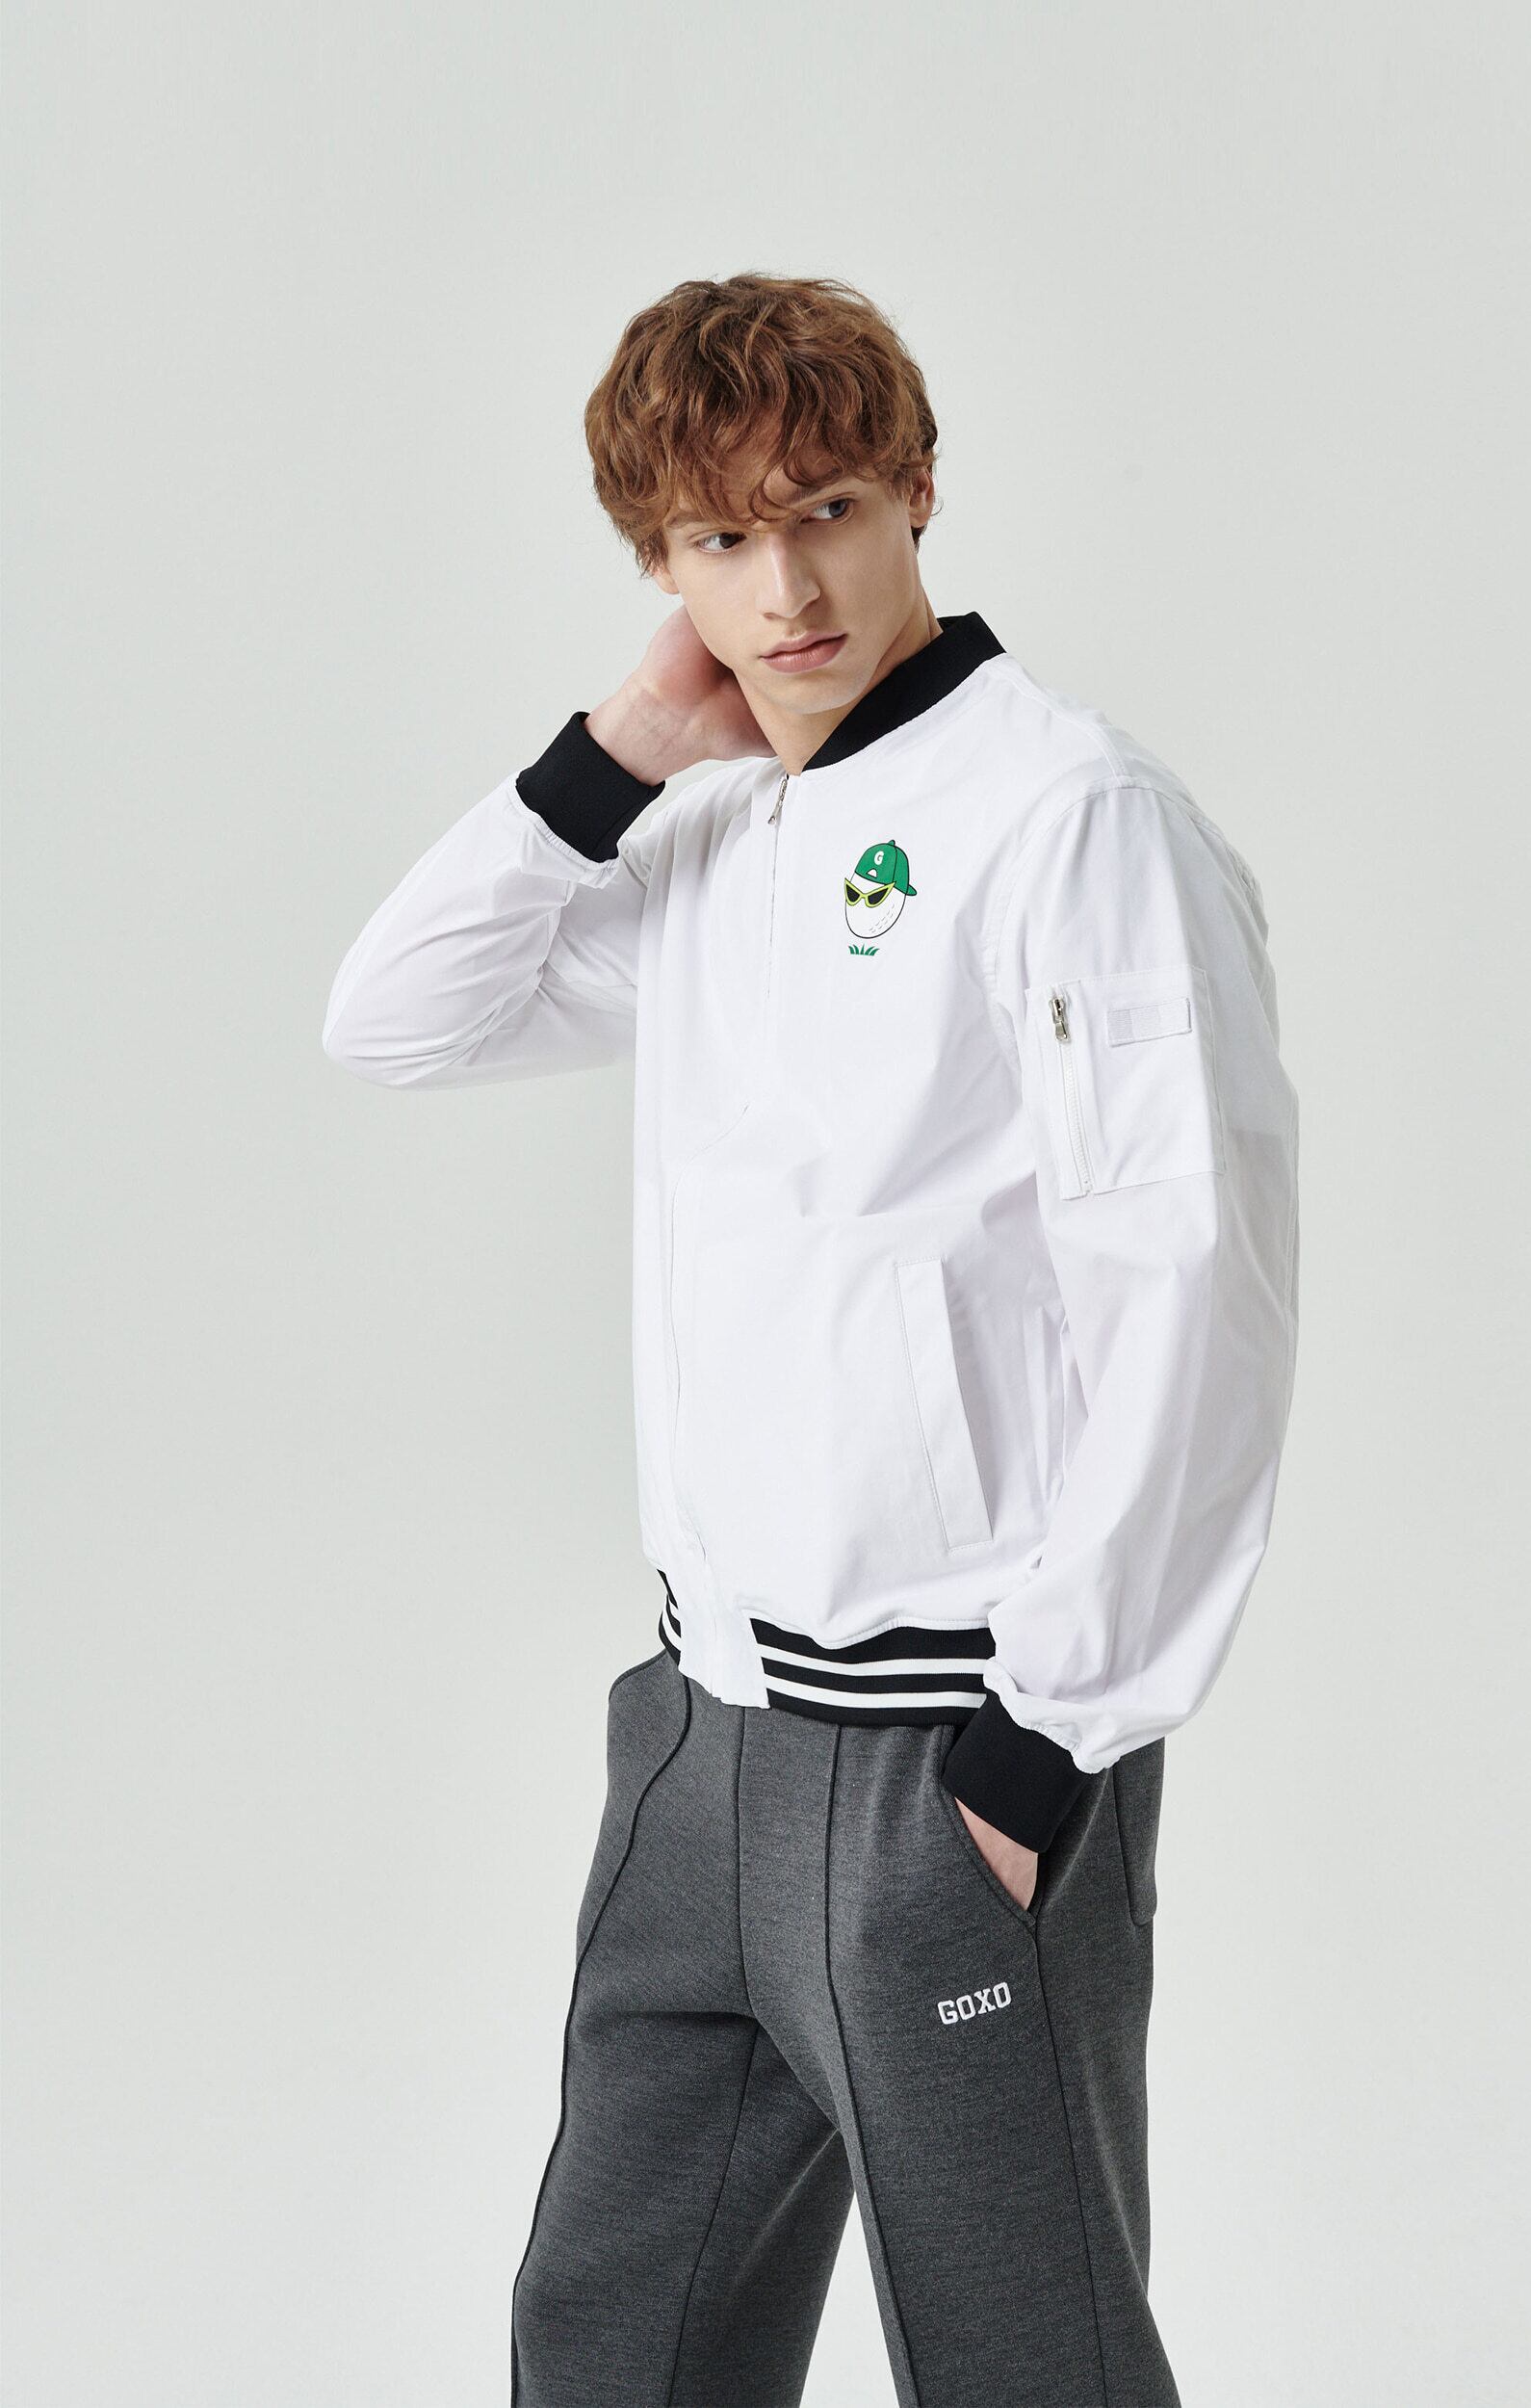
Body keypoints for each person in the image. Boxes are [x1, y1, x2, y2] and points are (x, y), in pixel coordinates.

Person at [322, 271, 1300, 2408]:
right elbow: (397, 1017)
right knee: (609, 2342)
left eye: (827, 511)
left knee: (1024, 2359)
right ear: (660, 565)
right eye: (718, 541)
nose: (784, 591)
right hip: (699, 1741)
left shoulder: (1071, 818)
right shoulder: (720, 831)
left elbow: (1193, 1298)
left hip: (954, 1755)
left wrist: (1040, 1754)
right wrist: (620, 749)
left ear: (917, 488)